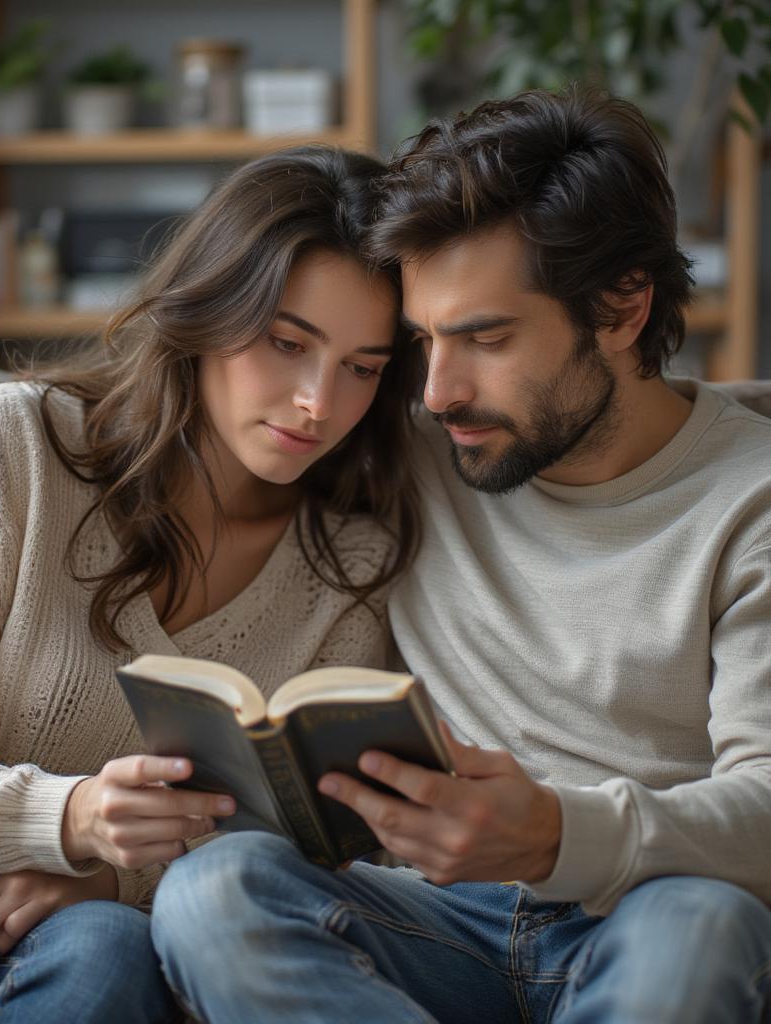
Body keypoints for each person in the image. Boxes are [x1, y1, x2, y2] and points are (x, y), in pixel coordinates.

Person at [0, 146, 426, 1023]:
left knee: (107, 951)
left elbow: (297, 837)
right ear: (210, 309)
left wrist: (112, 870)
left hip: (69, 899)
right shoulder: (10, 447)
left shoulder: (351, 562)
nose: (317, 402)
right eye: (286, 343)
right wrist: (67, 817)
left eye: (363, 367)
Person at [151, 88, 771, 1023]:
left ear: (623, 306)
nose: (439, 392)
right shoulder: (414, 443)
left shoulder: (752, 501)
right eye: (423, 341)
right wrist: (4, 468)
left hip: (649, 911)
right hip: (432, 921)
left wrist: (558, 835)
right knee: (216, 890)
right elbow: (204, 415)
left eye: (485, 338)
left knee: (703, 928)